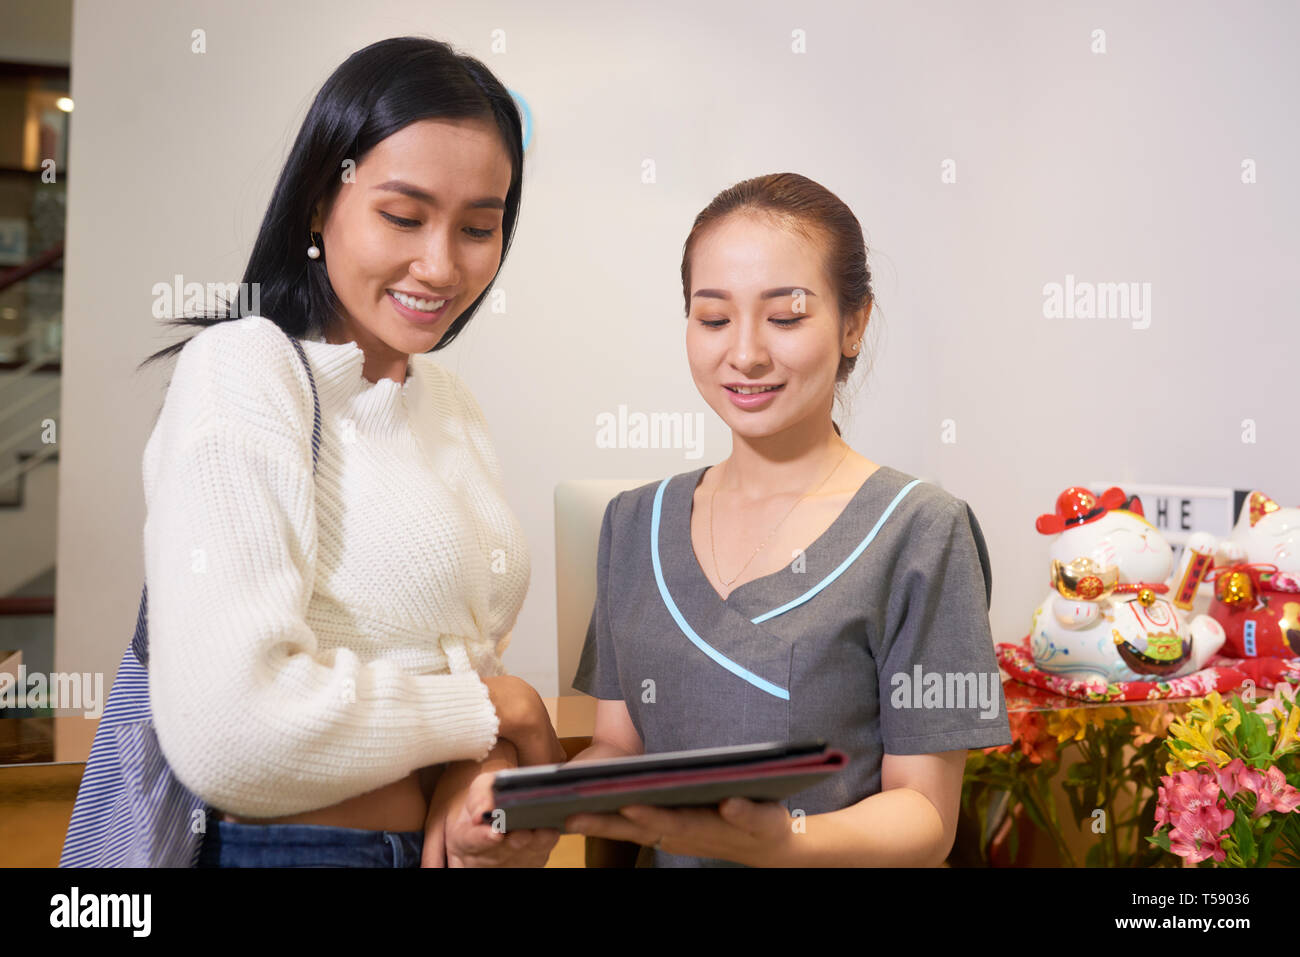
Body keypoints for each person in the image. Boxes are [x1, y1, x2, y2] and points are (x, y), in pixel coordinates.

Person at [129, 37, 561, 868]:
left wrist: (485, 765)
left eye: (479, 227)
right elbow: (231, 731)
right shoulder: (243, 367)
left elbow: (459, 659)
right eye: (403, 216)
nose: (440, 265)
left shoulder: (449, 404)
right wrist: (496, 710)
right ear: (318, 203)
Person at [566, 172, 1013, 866]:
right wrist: (530, 803)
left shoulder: (922, 530)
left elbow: (927, 815)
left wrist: (787, 841)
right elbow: (618, 748)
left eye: (785, 317)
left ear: (854, 324)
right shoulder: (633, 524)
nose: (745, 353)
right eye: (713, 319)